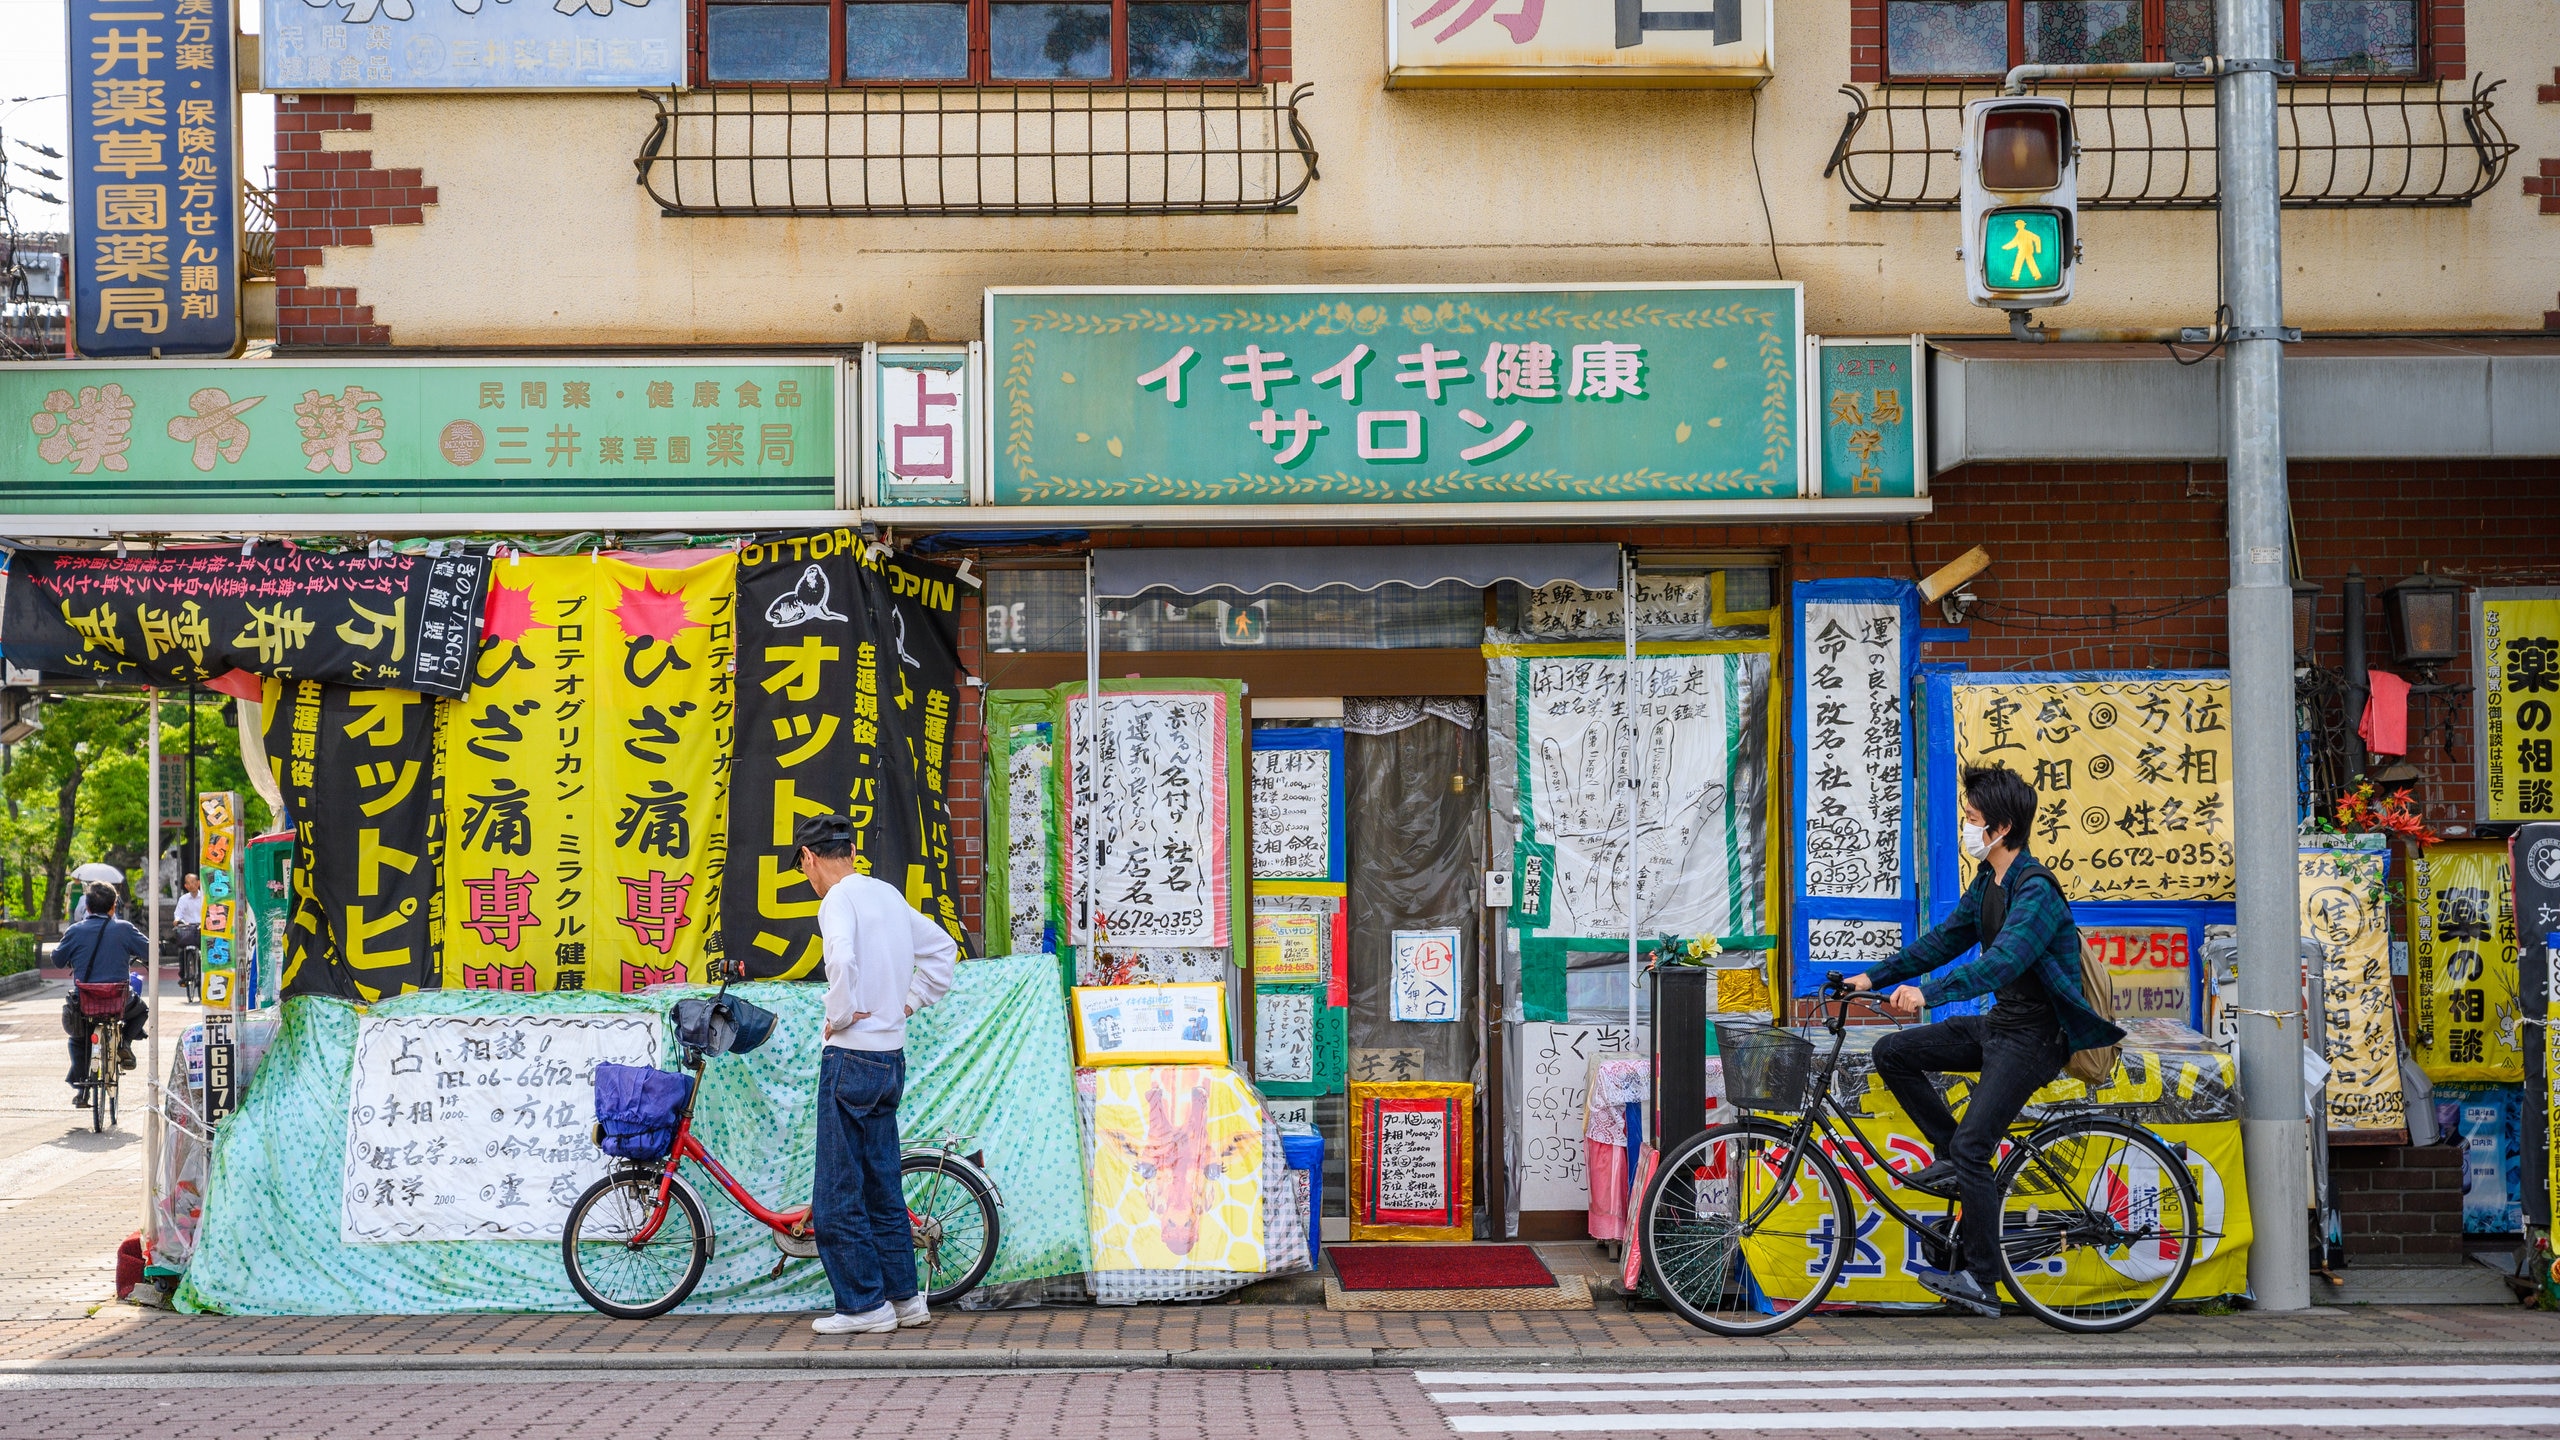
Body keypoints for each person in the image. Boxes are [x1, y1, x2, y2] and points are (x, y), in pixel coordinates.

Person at [1844, 765, 2122, 1319]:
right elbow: (1946, 939)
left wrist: (1927, 994)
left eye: (1972, 819)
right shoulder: (1989, 883)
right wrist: (1870, 978)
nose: (1967, 827)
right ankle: (1953, 1160)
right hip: (2000, 1028)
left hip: (2036, 1039)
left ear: (1999, 828)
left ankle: (1982, 1276)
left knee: (1977, 1147)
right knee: (1893, 1053)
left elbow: (2002, 963)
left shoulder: (2035, 889)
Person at [795, 813, 958, 1336]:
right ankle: (906, 1300)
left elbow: (840, 960)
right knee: (883, 1185)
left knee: (838, 1191)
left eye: (804, 868)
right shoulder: (886, 894)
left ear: (810, 858)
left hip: (851, 1057)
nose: (808, 878)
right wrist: (908, 1002)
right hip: (891, 1060)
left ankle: (864, 1306)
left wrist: (838, 1016)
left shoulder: (837, 900)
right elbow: (943, 951)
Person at [57, 883, 152, 1105]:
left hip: (86, 1002)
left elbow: (57, 959)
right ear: (113, 907)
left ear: (87, 908)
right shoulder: (125, 929)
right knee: (142, 1011)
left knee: (78, 1038)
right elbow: (149, 951)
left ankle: (81, 1087)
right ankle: (124, 1043)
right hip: (118, 1001)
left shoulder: (75, 930)